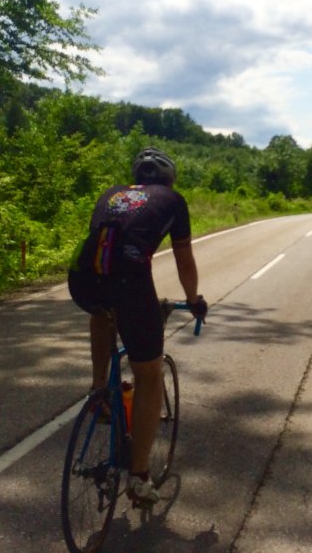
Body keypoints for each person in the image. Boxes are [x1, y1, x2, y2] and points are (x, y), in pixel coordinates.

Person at [68, 147, 206, 506]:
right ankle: (140, 476)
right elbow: (184, 261)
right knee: (148, 374)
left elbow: (107, 255)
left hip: (82, 279)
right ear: (169, 179)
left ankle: (100, 391)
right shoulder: (173, 200)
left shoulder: (111, 193)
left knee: (102, 310)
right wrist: (193, 300)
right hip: (130, 282)